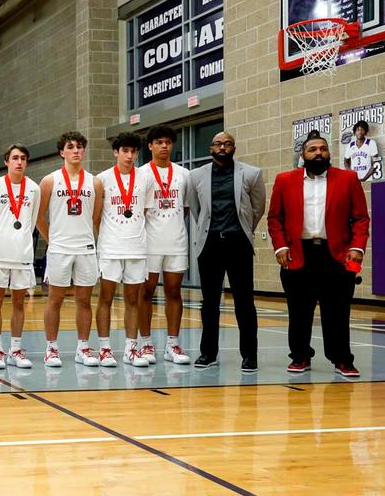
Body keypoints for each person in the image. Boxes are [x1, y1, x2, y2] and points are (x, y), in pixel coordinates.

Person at [268, 133, 368, 377]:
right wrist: (280, 247)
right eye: (312, 149)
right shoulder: (284, 180)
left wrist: (357, 247)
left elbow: (361, 218)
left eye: (323, 148)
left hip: (338, 256)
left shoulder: (348, 179)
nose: (318, 153)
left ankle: (342, 359)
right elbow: (274, 218)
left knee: (338, 311)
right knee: (299, 311)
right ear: (303, 155)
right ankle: (300, 357)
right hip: (298, 254)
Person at [187, 131, 266, 372]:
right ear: (211, 148)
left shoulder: (251, 173)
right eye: (218, 144)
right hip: (209, 244)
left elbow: (258, 207)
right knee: (209, 302)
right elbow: (196, 208)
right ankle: (208, 353)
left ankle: (249, 356)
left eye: (228, 144)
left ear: (234, 148)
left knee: (244, 302)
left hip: (238, 243)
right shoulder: (195, 175)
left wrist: (243, 230)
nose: (222, 147)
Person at [36, 131, 103, 367]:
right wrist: (51, 239)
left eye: (80, 147)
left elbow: (95, 216)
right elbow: (39, 215)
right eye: (71, 147)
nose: (76, 151)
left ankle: (83, 348)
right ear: (61, 152)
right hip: (59, 249)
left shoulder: (94, 182)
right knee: (55, 299)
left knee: (84, 300)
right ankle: (51, 349)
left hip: (85, 247)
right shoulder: (50, 180)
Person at [94, 132, 151, 367]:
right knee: (105, 298)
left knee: (133, 300)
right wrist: (108, 236)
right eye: (125, 151)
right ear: (116, 152)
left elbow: (144, 212)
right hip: (110, 247)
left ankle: (131, 349)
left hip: (136, 247)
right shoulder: (102, 179)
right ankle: (105, 349)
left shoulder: (146, 178)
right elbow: (96, 216)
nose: (129, 156)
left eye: (133, 151)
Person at [138, 125, 193, 365]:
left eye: (168, 142)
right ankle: (146, 343)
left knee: (174, 292)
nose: (164, 146)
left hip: (176, 242)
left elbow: (187, 208)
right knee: (146, 292)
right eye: (159, 142)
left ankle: (173, 344)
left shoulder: (184, 174)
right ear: (150, 146)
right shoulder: (141, 174)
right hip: (148, 243)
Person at [0, 144, 40, 370]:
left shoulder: (34, 189)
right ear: (6, 161)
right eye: (15, 158)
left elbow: (32, 220)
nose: (19, 162)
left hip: (22, 254)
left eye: (23, 158)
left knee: (20, 303)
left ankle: (15, 349)